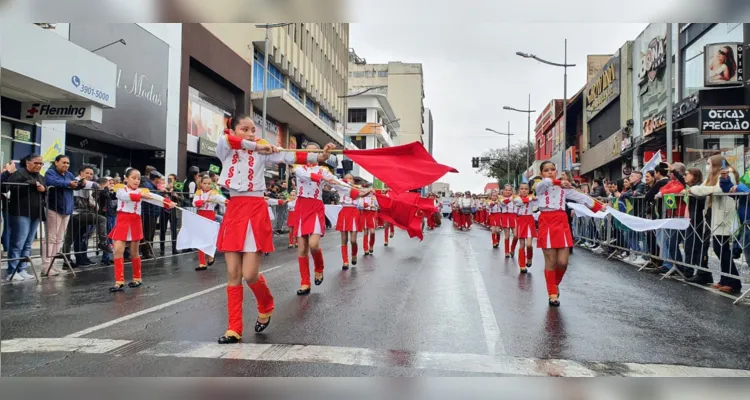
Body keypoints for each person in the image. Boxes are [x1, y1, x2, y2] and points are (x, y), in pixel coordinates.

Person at [215, 115, 333, 343]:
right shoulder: (226, 147)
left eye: (253, 129)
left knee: (249, 275)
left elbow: (291, 156)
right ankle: (234, 328)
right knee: (232, 274)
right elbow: (228, 140)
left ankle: (266, 303)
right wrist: (258, 145)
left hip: (255, 209)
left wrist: (320, 156)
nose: (250, 133)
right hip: (235, 210)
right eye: (245, 129)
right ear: (233, 129)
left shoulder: (263, 151)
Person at [291, 143, 368, 296]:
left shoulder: (323, 170)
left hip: (315, 207)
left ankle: (319, 268)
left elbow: (341, 186)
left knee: (313, 244)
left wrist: (360, 192)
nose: (311, 155)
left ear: (319, 155)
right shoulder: (298, 168)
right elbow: (304, 176)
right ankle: (305, 282)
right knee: (302, 249)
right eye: (308, 152)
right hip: (300, 207)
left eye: (315, 153)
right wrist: (322, 178)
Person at [535, 161, 605, 307]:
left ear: (556, 170)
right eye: (546, 170)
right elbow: (545, 184)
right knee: (551, 262)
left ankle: (554, 284)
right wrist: (559, 181)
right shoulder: (539, 186)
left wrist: (599, 207)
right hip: (546, 222)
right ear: (541, 173)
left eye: (553, 169)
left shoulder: (564, 188)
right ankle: (552, 294)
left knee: (563, 262)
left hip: (561, 222)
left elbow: (582, 198)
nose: (550, 172)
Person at [108, 168, 174, 292]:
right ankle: (119, 281)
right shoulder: (120, 188)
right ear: (125, 178)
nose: (136, 181)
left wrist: (167, 202)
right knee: (118, 250)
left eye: (138, 178)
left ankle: (137, 278)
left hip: (135, 222)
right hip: (122, 221)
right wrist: (141, 195)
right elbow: (125, 196)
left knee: (134, 252)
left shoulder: (142, 191)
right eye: (133, 178)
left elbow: (154, 198)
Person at [4, 154, 46, 282]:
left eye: (41, 164)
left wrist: (43, 189)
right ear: (27, 162)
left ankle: (22, 269)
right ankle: (12, 271)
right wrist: (30, 184)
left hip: (35, 212)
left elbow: (46, 191)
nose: (38, 166)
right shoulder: (19, 174)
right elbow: (7, 187)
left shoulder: (41, 177)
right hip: (20, 212)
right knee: (18, 242)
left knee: (28, 243)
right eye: (36, 163)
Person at [43, 155, 83, 276]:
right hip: (54, 208)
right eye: (63, 162)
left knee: (59, 239)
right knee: (51, 238)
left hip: (67, 209)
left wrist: (80, 183)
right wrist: (68, 183)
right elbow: (53, 182)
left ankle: (54, 266)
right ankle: (46, 267)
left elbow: (74, 184)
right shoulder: (50, 172)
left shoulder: (69, 174)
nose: (66, 165)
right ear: (56, 162)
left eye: (68, 163)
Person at [193, 174, 228, 270]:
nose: (207, 185)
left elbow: (219, 198)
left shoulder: (213, 192)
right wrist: (204, 201)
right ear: (201, 184)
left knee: (209, 238)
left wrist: (227, 201)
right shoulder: (198, 192)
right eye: (205, 183)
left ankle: (210, 256)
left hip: (210, 215)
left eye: (209, 183)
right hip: (200, 215)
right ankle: (202, 263)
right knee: (200, 239)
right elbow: (194, 203)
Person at [335, 174, 362, 269]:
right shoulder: (340, 188)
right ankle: (345, 261)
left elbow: (363, 194)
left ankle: (354, 254)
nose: (348, 180)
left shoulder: (357, 189)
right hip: (344, 212)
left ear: (353, 181)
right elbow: (333, 184)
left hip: (354, 213)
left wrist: (368, 191)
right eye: (346, 178)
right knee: (344, 239)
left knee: (353, 240)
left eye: (350, 178)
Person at [514, 183, 537, 273]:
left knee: (529, 245)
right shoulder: (516, 198)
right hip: (521, 220)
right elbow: (522, 201)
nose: (524, 190)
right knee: (522, 244)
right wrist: (531, 198)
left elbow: (539, 202)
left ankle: (529, 258)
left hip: (530, 220)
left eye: (526, 189)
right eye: (522, 189)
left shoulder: (532, 197)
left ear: (529, 190)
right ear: (519, 190)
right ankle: (522, 265)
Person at [498, 184, 518, 258]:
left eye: (509, 190)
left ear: (512, 191)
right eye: (506, 190)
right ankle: (506, 252)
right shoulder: (500, 198)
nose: (508, 191)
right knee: (507, 236)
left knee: (516, 235)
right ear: (503, 191)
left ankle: (512, 249)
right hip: (505, 216)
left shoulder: (515, 198)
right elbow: (503, 203)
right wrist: (511, 198)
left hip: (513, 216)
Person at [360, 189, 378, 255]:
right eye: (368, 191)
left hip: (372, 214)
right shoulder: (362, 197)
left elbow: (378, 206)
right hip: (364, 214)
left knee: (372, 232)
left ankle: (371, 245)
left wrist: (374, 202)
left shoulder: (374, 197)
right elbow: (360, 205)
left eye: (371, 191)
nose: (370, 192)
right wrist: (367, 205)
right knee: (365, 232)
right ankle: (365, 248)